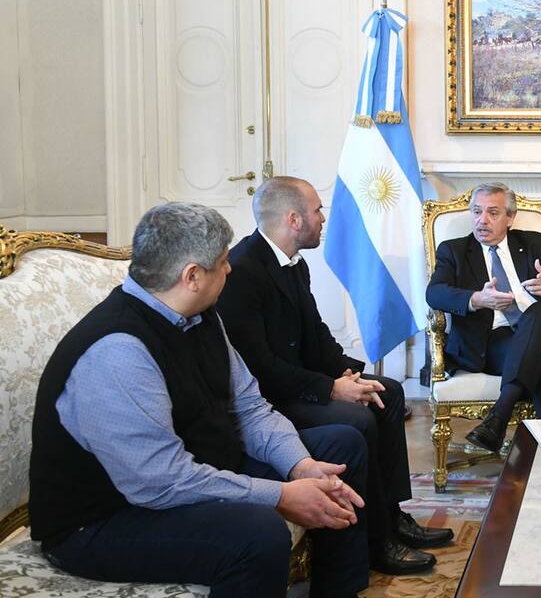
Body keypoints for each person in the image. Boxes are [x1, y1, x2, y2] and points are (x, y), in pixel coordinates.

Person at [29, 202, 370, 598]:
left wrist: (301, 466)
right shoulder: (119, 349)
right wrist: (280, 495)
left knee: (341, 446)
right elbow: (160, 482)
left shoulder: (201, 315)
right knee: (257, 534)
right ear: (192, 276)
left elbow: (249, 406)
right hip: (105, 520)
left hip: (195, 465)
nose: (230, 269)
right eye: (223, 262)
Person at [217, 177, 451, 576]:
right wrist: (330, 388)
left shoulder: (295, 263)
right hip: (269, 398)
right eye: (317, 211)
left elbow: (316, 336)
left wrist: (348, 373)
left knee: (387, 391)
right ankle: (376, 541)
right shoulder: (241, 271)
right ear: (293, 219)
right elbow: (259, 368)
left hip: (299, 381)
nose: (323, 218)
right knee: (357, 419)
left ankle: (392, 515)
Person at [426, 182, 541, 453]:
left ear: (510, 217)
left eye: (493, 213)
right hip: (491, 342)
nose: (482, 220)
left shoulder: (531, 243)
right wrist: (476, 299)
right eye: (476, 212)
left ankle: (499, 416)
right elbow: (435, 294)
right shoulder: (454, 251)